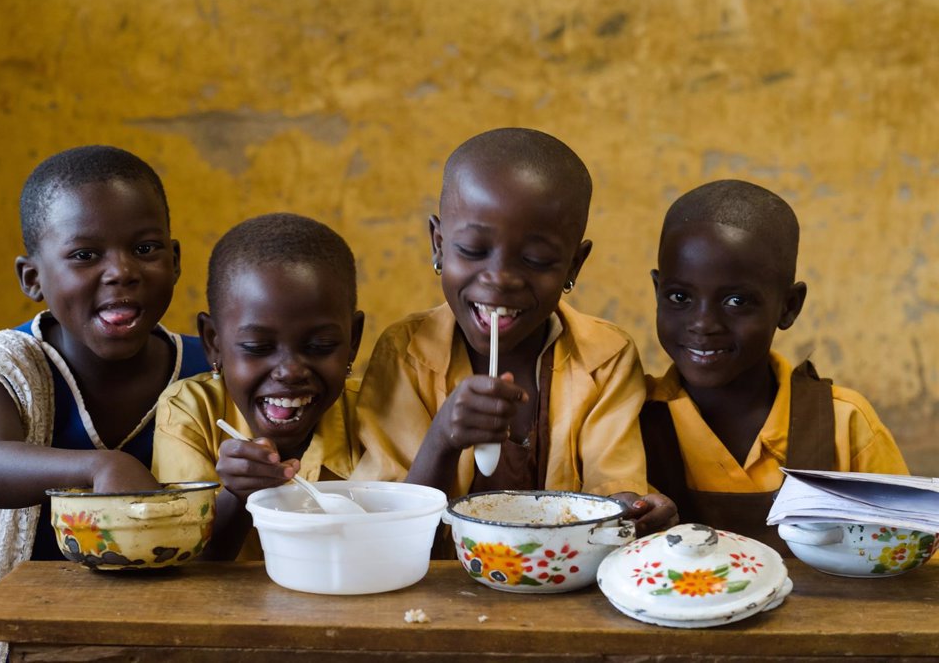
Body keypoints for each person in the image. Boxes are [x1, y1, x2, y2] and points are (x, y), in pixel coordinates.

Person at [0, 145, 208, 662]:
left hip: (156, 636)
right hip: (4, 636)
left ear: (176, 259)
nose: (122, 271)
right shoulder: (7, 366)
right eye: (84, 255)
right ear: (32, 279)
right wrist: (102, 466)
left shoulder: (206, 368)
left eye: (145, 248)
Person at [351, 127, 677, 536]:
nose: (500, 280)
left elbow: (611, 492)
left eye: (537, 259)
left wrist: (633, 508)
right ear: (438, 243)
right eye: (472, 250)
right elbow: (384, 530)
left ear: (574, 266)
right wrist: (442, 439)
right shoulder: (405, 353)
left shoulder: (606, 358)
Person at [643, 179, 909, 550]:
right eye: (679, 296)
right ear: (657, 292)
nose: (703, 323)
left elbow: (908, 555)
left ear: (789, 306)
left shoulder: (843, 425)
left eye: (737, 301)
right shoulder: (631, 418)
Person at [151, 213, 364, 560]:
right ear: (213, 342)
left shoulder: (372, 411)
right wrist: (237, 497)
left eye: (320, 346)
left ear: (353, 340)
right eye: (257, 348)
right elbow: (185, 567)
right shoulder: (189, 412)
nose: (290, 371)